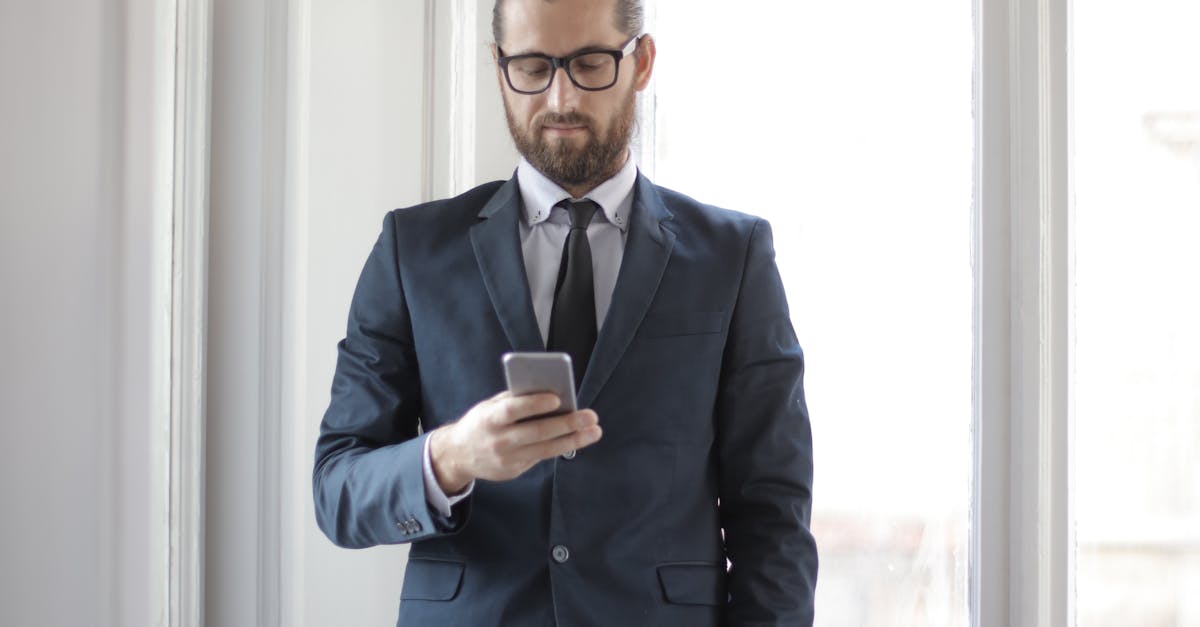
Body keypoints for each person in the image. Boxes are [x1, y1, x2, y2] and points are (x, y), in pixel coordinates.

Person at [312, 0, 818, 624]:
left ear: (642, 62)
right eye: (531, 66)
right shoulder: (412, 251)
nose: (560, 99)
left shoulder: (732, 256)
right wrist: (452, 457)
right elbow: (337, 488)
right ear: (499, 68)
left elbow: (773, 513)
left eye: (589, 63)